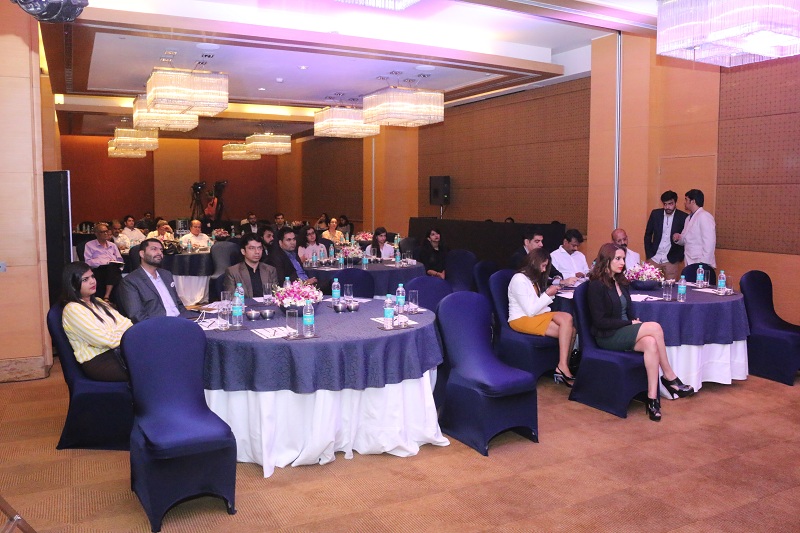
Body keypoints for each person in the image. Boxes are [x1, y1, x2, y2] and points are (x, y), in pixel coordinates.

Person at [587, 243, 694, 421]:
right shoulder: (596, 285)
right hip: (607, 336)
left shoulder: (621, 281)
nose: (622, 263)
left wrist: (631, 320)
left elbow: (626, 310)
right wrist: (630, 323)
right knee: (655, 328)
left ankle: (652, 399)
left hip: (623, 330)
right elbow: (600, 321)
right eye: (617, 259)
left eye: (623, 259)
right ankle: (670, 377)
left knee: (651, 342)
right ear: (606, 260)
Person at [507, 248, 577, 387]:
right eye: (543, 265)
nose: (544, 270)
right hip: (520, 319)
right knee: (569, 329)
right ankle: (562, 367)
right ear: (534, 262)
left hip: (535, 315)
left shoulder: (532, 279)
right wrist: (548, 294)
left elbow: (536, 306)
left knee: (569, 321)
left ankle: (562, 366)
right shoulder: (519, 279)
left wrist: (548, 295)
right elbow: (530, 310)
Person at [60, 261, 131, 381]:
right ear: (72, 284)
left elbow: (127, 324)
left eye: (92, 276)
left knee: (156, 358)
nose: (92, 281)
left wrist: (113, 333)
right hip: (99, 361)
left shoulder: (99, 301)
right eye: (85, 279)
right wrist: (123, 336)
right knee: (149, 367)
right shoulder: (72, 309)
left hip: (118, 351)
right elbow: (104, 340)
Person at [117, 238, 186, 323]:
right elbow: (137, 316)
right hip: (158, 325)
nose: (159, 253)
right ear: (142, 254)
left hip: (181, 320)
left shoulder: (166, 275)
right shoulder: (130, 281)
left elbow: (178, 304)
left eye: (161, 250)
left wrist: (188, 320)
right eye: (154, 249)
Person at [643, 190, 688, 280]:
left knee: (670, 286)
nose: (667, 207)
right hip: (654, 257)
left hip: (671, 259)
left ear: (675, 203)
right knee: (649, 284)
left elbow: (685, 238)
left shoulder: (683, 217)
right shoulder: (655, 214)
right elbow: (648, 234)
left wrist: (679, 257)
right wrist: (649, 254)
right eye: (665, 204)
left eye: (670, 204)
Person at [509, 227, 573, 283]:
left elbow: (554, 272)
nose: (541, 245)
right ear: (527, 242)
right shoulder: (518, 257)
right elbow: (534, 279)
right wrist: (558, 282)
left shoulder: (541, 255)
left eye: (541, 241)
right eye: (537, 241)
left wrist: (557, 278)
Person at [673, 189, 716, 268]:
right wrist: (678, 238)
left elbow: (709, 242)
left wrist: (704, 264)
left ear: (693, 201)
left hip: (701, 261)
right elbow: (685, 240)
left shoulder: (704, 216)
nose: (685, 203)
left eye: (686, 200)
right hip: (689, 260)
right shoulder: (688, 218)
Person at [83, 222, 124, 301]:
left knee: (113, 268)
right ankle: (108, 297)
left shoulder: (113, 245)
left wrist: (116, 264)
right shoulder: (89, 245)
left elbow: (120, 260)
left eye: (106, 231)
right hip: (99, 269)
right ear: (96, 234)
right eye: (102, 232)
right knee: (113, 271)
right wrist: (104, 262)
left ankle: (107, 296)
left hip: (113, 268)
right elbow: (87, 262)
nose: (106, 233)